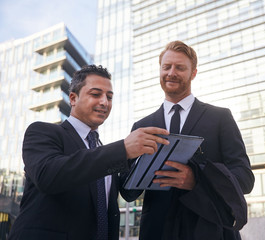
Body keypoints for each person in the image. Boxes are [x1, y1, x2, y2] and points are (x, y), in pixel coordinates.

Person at [8, 65, 169, 240]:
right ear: (73, 98)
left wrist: (149, 162)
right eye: (95, 94)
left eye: (109, 97)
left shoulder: (102, 150)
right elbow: (48, 176)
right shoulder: (42, 131)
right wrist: (123, 149)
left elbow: (127, 195)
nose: (104, 102)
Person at [121, 41, 255, 240]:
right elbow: (127, 192)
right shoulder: (141, 127)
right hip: (157, 232)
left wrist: (197, 179)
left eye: (180, 68)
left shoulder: (220, 118)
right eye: (166, 67)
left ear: (193, 73)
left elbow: (244, 178)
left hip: (211, 231)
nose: (171, 73)